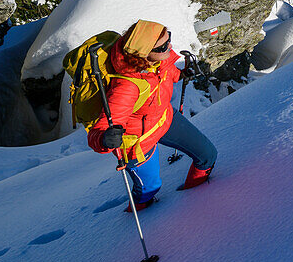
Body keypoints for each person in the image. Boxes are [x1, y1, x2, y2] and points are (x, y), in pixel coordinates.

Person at [88, 20, 217, 211]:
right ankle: (140, 212)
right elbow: (97, 132)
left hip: (164, 119)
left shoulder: (160, 58)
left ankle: (199, 201)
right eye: (164, 45)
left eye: (169, 38)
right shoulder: (126, 87)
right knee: (149, 188)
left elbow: (168, 72)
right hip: (139, 143)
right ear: (143, 55)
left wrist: (182, 74)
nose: (170, 46)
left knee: (207, 155)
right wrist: (105, 140)